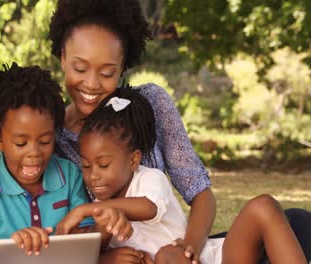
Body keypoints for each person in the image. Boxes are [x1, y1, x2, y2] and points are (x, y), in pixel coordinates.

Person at [48, 0, 311, 263]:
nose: (92, 84)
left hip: (181, 249)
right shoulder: (48, 136)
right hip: (135, 257)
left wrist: (188, 249)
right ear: (62, 57)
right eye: (80, 68)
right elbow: (68, 239)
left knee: (298, 221)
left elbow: (201, 195)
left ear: (123, 66)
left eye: (107, 72)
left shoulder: (149, 105)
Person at [59, 87, 306, 264]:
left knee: (263, 205)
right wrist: (107, 257)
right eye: (86, 166)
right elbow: (93, 249)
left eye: (103, 165)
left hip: (206, 258)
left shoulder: (148, 179)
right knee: (166, 257)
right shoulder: (103, 211)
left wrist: (86, 211)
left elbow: (148, 208)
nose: (93, 176)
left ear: (134, 159)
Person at [0, 63, 132, 264]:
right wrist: (17, 247)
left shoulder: (68, 174)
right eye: (21, 143)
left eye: (45, 141)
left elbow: (86, 240)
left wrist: (106, 226)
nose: (34, 153)